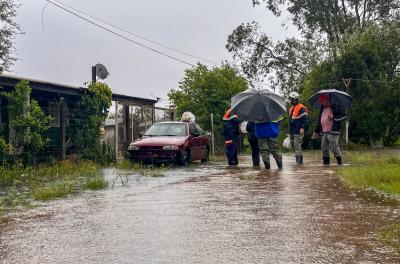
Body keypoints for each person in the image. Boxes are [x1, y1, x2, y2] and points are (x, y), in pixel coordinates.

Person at [312, 94, 347, 165]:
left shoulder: (335, 107)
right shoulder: (322, 109)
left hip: (333, 131)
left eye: (323, 101)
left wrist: (333, 117)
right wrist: (316, 131)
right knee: (324, 148)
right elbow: (319, 121)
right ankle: (326, 165)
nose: (321, 103)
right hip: (324, 132)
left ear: (328, 100)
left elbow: (343, 116)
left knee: (334, 147)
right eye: (321, 102)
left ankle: (340, 164)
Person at [288, 91, 309, 164]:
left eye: (291, 99)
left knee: (297, 146)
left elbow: (305, 120)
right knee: (295, 146)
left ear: (295, 99)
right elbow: (291, 121)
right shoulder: (292, 108)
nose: (290, 100)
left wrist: (302, 128)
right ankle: (299, 163)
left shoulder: (301, 108)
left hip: (298, 131)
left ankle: (299, 164)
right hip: (293, 131)